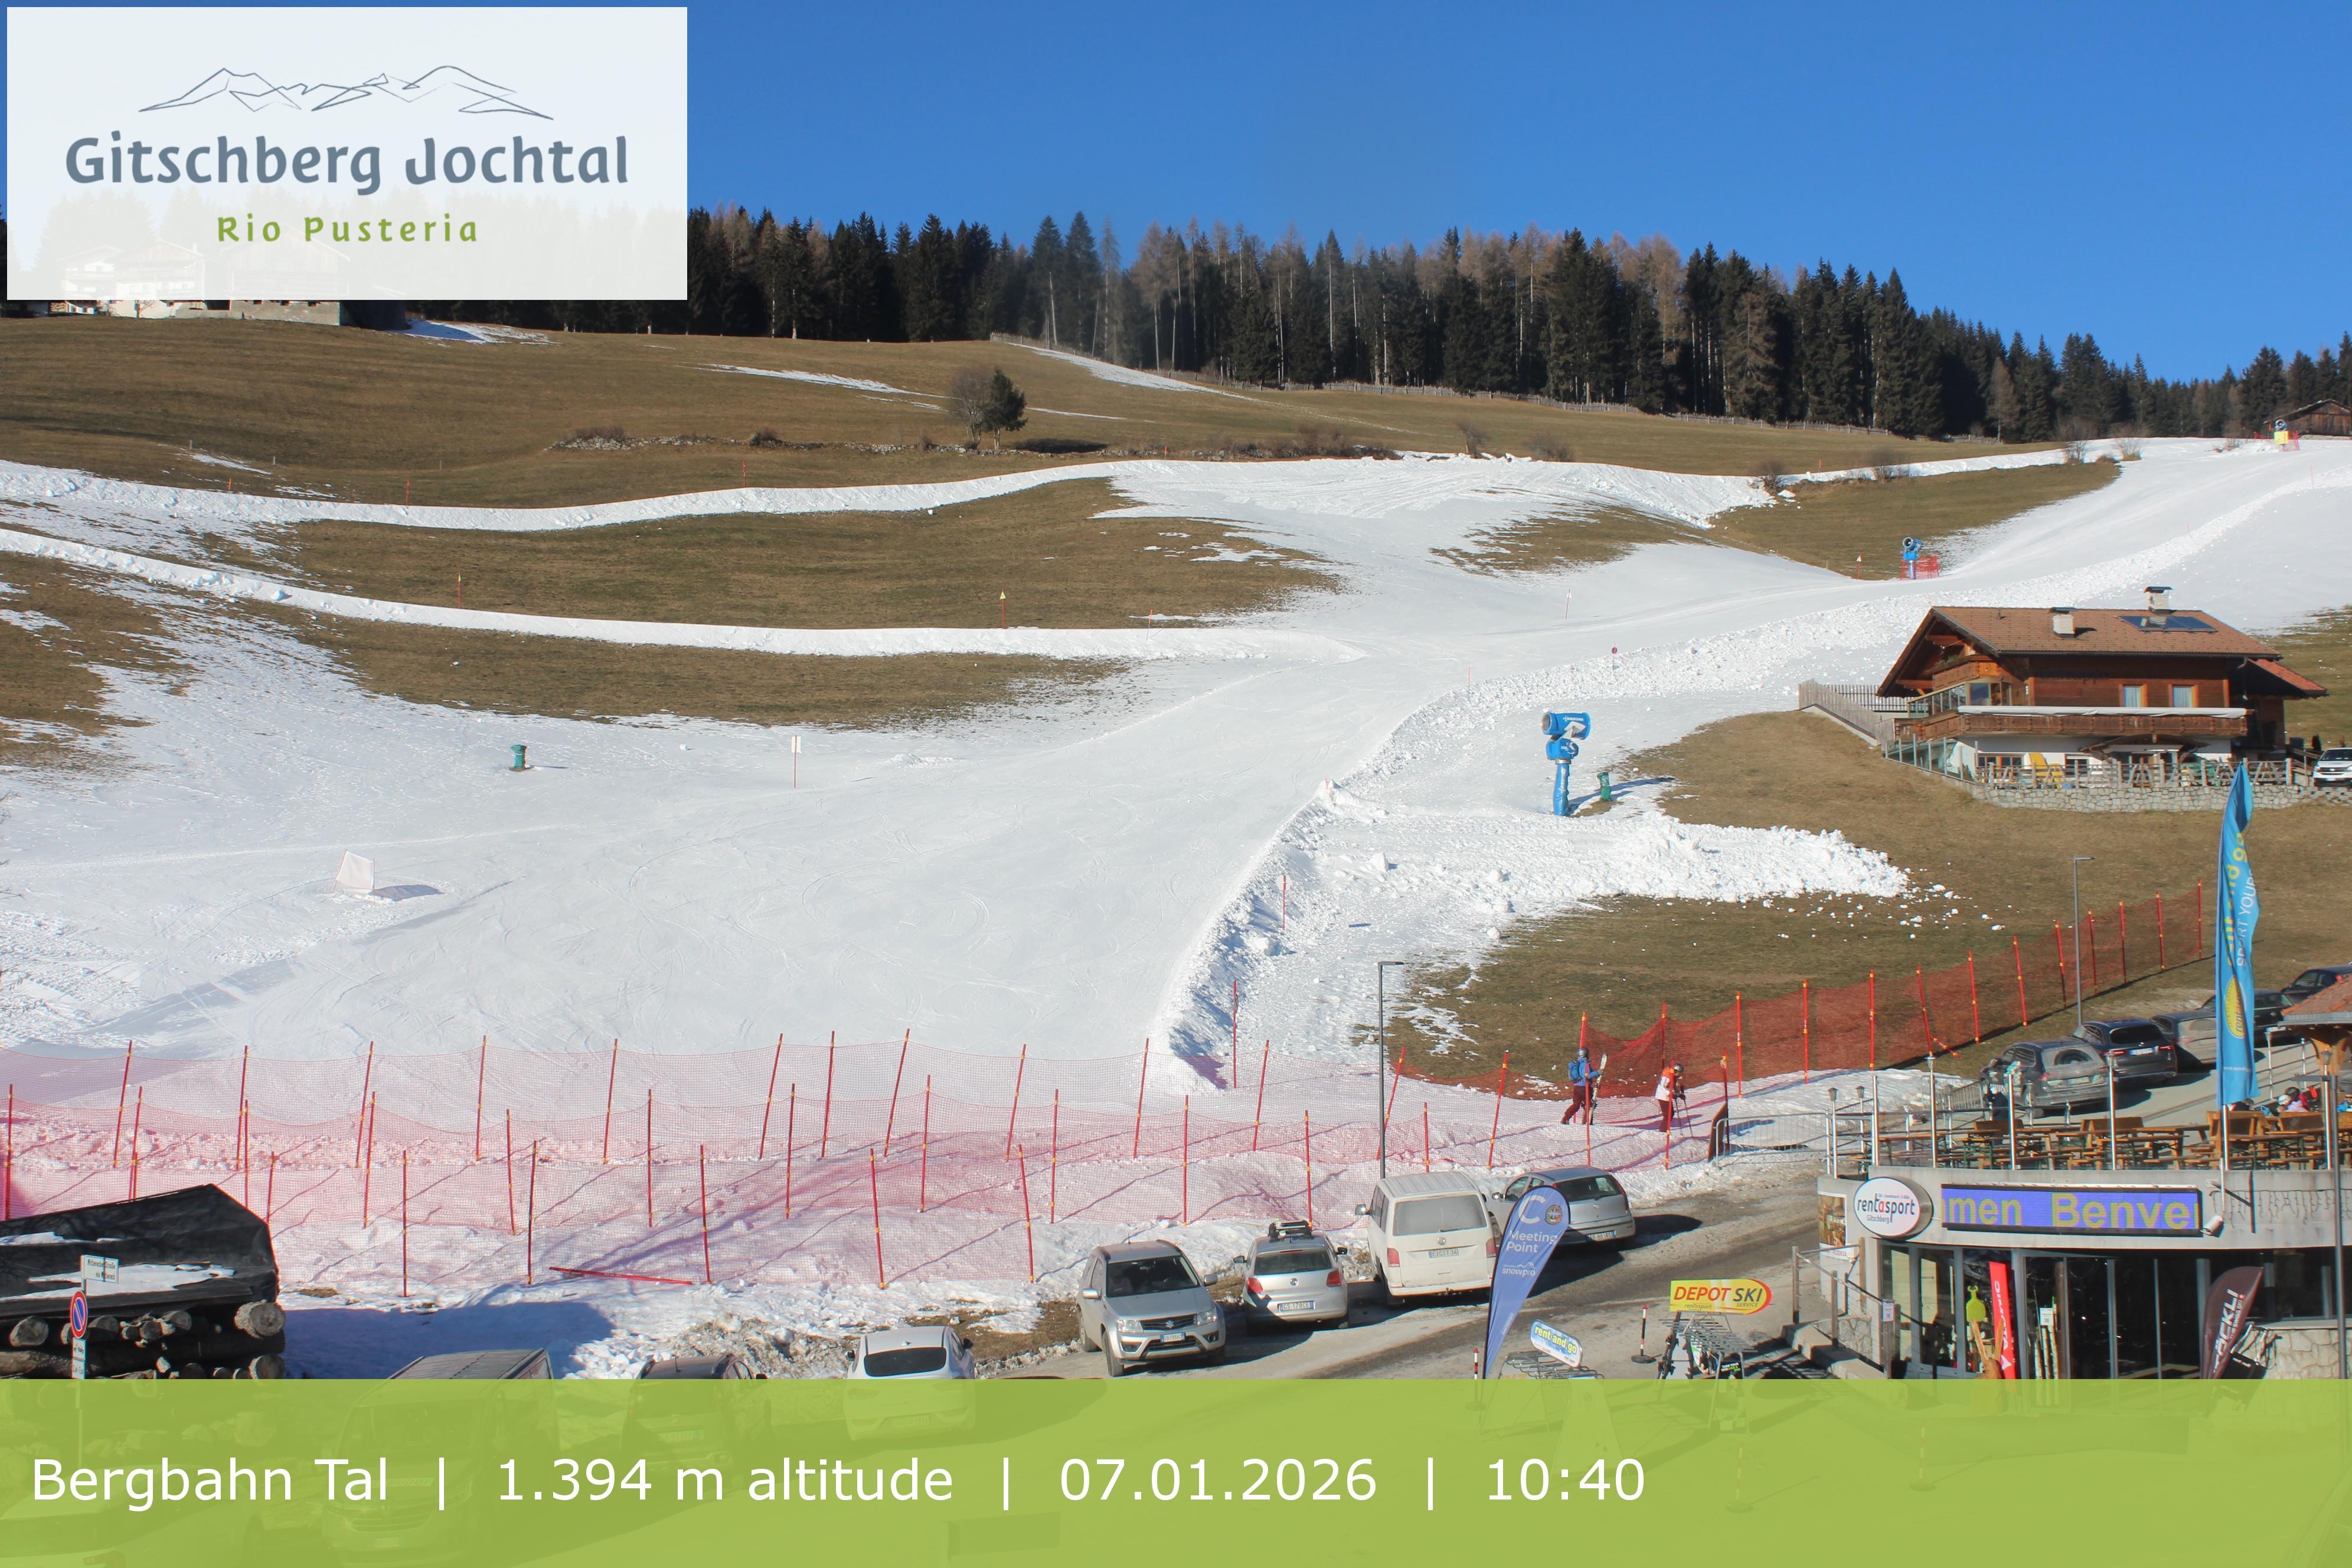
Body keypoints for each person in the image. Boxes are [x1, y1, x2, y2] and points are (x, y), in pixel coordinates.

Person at [1560, 1047, 1595, 1126]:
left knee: (1576, 1104)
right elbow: (1587, 1076)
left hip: (1577, 1087)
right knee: (1589, 1104)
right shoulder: (1585, 1064)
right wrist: (1598, 1073)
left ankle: (1566, 1118)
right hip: (1584, 1088)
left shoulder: (1577, 1063)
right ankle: (1588, 1122)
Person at [1654, 1068, 1675, 1135]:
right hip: (1662, 1097)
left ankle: (1665, 1129)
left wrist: (1678, 1094)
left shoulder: (1672, 1077)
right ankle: (1663, 1130)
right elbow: (1662, 1086)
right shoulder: (1667, 1076)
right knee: (1668, 1114)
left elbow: (1671, 1087)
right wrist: (1669, 1093)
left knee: (1671, 1113)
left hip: (1666, 1098)